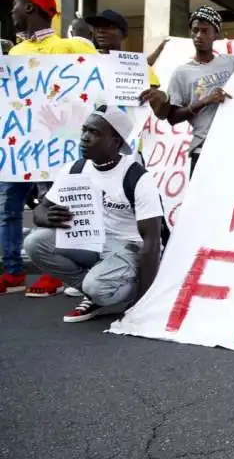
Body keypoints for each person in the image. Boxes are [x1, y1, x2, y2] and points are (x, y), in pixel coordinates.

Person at [0, 0, 97, 298]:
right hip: (19, 147)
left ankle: (51, 272)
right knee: (7, 209)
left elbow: (100, 80)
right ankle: (12, 272)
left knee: (50, 206)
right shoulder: (14, 54)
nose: (11, 10)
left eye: (15, 4)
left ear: (30, 9)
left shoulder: (67, 48)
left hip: (54, 149)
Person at [24, 106, 163, 322]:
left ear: (116, 141)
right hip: (92, 241)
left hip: (128, 247)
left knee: (96, 285)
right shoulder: (74, 169)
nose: (85, 138)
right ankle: (96, 292)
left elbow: (151, 243)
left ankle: (120, 292)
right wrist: (45, 217)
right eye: (85, 130)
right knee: (35, 243)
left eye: (95, 133)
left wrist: (143, 301)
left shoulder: (137, 178)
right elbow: (41, 209)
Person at [144, 6, 234, 177]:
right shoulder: (182, 73)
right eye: (195, 30)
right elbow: (172, 118)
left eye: (205, 31)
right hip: (203, 150)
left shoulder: (233, 63)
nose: (198, 36)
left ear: (216, 34)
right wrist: (205, 101)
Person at [85, 9, 166, 162]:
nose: (101, 30)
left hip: (125, 150)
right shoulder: (82, 65)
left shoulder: (139, 67)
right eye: (97, 26)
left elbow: (159, 111)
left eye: (109, 26)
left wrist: (161, 98)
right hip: (88, 149)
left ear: (123, 34)